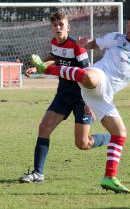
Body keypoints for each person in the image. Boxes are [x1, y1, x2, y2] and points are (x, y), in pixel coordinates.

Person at [29, 13, 130, 193]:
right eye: (127, 26)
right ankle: (48, 70)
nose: (127, 30)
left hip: (104, 97)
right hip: (99, 76)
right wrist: (86, 42)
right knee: (88, 76)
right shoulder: (116, 38)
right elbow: (95, 43)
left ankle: (110, 177)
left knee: (119, 133)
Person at [19, 12, 111, 184]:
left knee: (82, 143)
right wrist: (38, 67)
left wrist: (91, 102)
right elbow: (54, 58)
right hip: (63, 94)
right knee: (44, 127)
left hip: (83, 97)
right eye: (55, 25)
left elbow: (88, 73)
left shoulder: (77, 47)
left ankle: (111, 137)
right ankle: (38, 173)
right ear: (51, 28)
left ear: (68, 27)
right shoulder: (54, 42)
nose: (58, 27)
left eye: (61, 24)